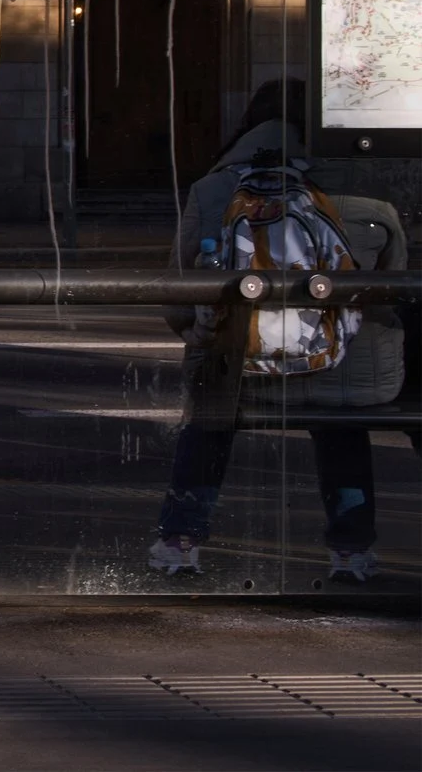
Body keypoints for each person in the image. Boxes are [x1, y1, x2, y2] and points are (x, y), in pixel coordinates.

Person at [149, 80, 400, 585]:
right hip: (342, 366)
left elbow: (177, 291)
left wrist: (199, 335)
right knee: (342, 430)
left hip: (238, 363)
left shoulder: (214, 189)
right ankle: (350, 553)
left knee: (210, 424)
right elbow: (393, 289)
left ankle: (180, 542)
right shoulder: (367, 191)